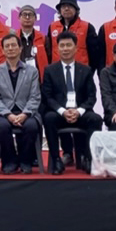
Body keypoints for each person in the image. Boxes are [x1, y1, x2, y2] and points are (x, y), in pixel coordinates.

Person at [42, 31, 103, 175]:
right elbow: (47, 97)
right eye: (62, 46)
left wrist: (79, 111)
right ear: (57, 49)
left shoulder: (86, 70)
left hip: (80, 111)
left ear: (76, 48)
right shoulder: (50, 70)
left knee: (95, 119)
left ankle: (88, 158)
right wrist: (63, 111)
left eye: (69, 45)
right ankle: (56, 160)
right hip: (60, 112)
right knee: (48, 118)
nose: (65, 49)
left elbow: (91, 97)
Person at [0, 34, 41, 174]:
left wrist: (25, 114)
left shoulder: (32, 71)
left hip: (26, 111)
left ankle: (25, 161)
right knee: (2, 127)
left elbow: (35, 96)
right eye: (7, 46)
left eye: (13, 45)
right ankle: (9, 161)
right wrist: (8, 115)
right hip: (4, 113)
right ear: (2, 50)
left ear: (20, 48)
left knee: (31, 126)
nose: (10, 48)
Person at [46, 0, 98, 67]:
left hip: (81, 70)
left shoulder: (87, 27)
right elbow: (49, 51)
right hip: (56, 70)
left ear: (76, 9)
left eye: (70, 6)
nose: (66, 9)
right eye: (63, 6)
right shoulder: (52, 27)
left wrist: (89, 71)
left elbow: (94, 53)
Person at [14, 5, 48, 80]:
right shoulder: (13, 38)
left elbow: (49, 59)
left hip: (38, 79)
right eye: (24, 14)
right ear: (19, 18)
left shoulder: (43, 38)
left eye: (30, 15)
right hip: (17, 78)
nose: (27, 17)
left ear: (35, 18)